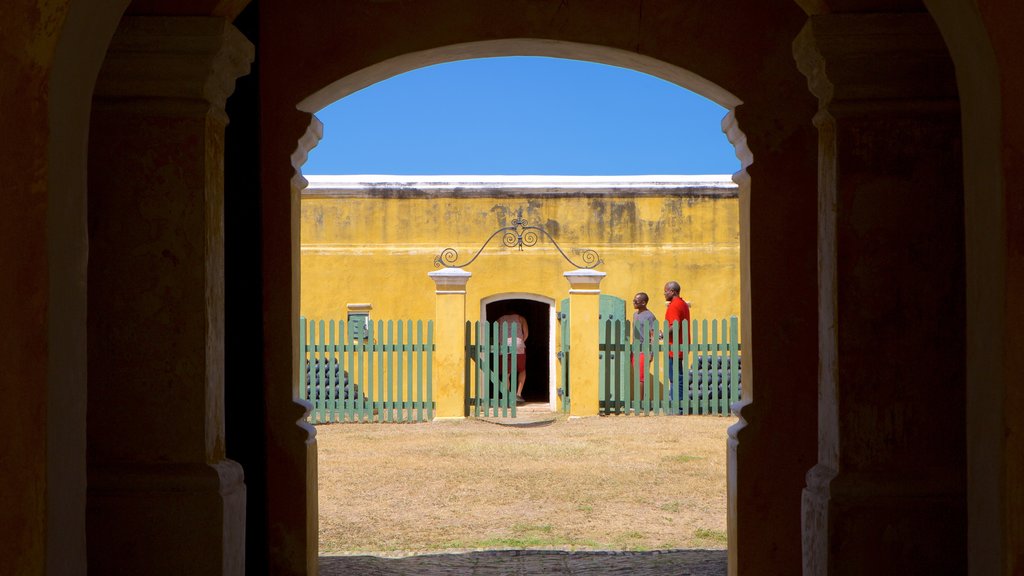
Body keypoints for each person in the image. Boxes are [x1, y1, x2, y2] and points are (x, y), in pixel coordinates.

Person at [663, 281, 691, 400]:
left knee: (675, 377)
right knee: (677, 376)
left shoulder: (674, 305)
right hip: (681, 344)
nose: (664, 294)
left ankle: (677, 405)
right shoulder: (683, 303)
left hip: (675, 346)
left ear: (672, 291)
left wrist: (662, 334)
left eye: (666, 291)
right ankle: (678, 404)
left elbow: (675, 326)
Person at [495, 310, 528, 405]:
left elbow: (496, 333)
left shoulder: (499, 319)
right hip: (518, 345)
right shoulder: (521, 318)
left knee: (506, 372)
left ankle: (506, 395)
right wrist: (520, 341)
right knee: (521, 369)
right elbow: (526, 333)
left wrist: (500, 342)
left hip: (504, 346)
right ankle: (518, 394)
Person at [631, 292, 657, 400]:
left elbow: (654, 335)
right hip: (635, 349)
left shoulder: (650, 316)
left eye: (636, 301)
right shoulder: (635, 315)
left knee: (641, 377)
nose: (634, 302)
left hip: (644, 350)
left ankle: (640, 402)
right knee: (637, 376)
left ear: (643, 302)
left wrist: (651, 352)